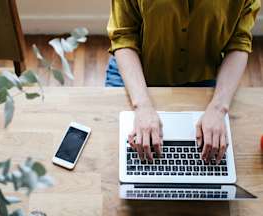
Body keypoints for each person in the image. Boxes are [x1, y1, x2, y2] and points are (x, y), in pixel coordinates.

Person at [106, 0, 261, 164]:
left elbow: (239, 42)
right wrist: (142, 106)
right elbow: (124, 36)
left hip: (202, 78)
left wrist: (218, 108)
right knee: (116, 158)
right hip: (137, 72)